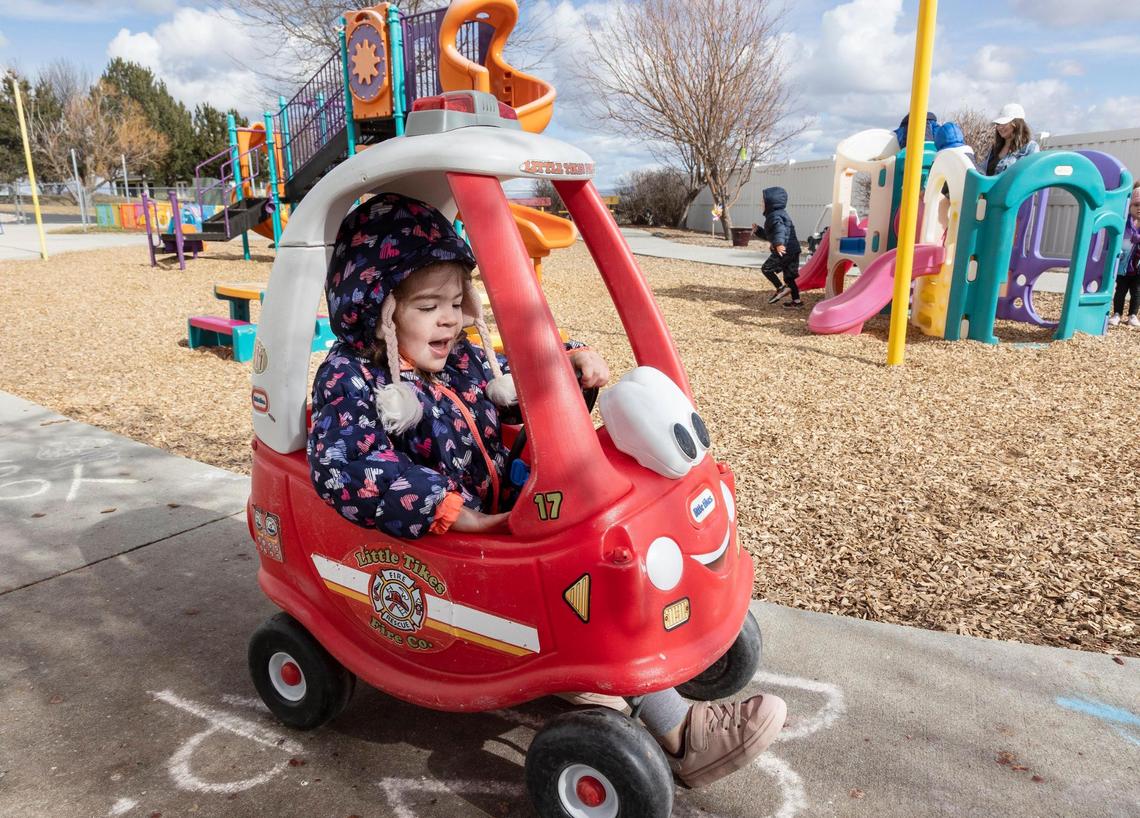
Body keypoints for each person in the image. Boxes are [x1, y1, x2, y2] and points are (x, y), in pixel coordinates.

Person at [308, 192, 787, 788]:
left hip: (507, 506)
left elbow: (519, 365)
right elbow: (346, 464)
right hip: (450, 536)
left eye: (457, 302)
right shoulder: (350, 378)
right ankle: (684, 731)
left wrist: (573, 358)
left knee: (610, 515)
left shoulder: (459, 359)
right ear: (378, 310)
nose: (451, 320)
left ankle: (656, 644)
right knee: (588, 583)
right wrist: (450, 511)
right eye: (428, 306)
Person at [753, 186, 802, 307]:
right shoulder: (780, 214)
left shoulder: (774, 216)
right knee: (789, 278)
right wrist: (759, 231)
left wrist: (779, 244)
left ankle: (780, 288)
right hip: (793, 250)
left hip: (784, 250)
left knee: (766, 268)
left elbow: (780, 230)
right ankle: (797, 301)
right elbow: (773, 235)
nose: (761, 204)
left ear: (770, 203)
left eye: (763, 202)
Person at [1110, 182, 1140, 327]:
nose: (1139, 208)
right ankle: (1117, 314)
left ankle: (1133, 315)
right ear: (1130, 206)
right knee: (1120, 291)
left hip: (1138, 268)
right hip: (1123, 265)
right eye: (1136, 205)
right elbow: (1118, 238)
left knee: (1137, 292)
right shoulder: (1125, 223)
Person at [980, 103, 1039, 176]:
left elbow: (1032, 175)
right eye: (998, 124)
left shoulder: (1030, 147)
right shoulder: (994, 148)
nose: (999, 127)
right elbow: (983, 171)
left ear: (1016, 124)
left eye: (1003, 123)